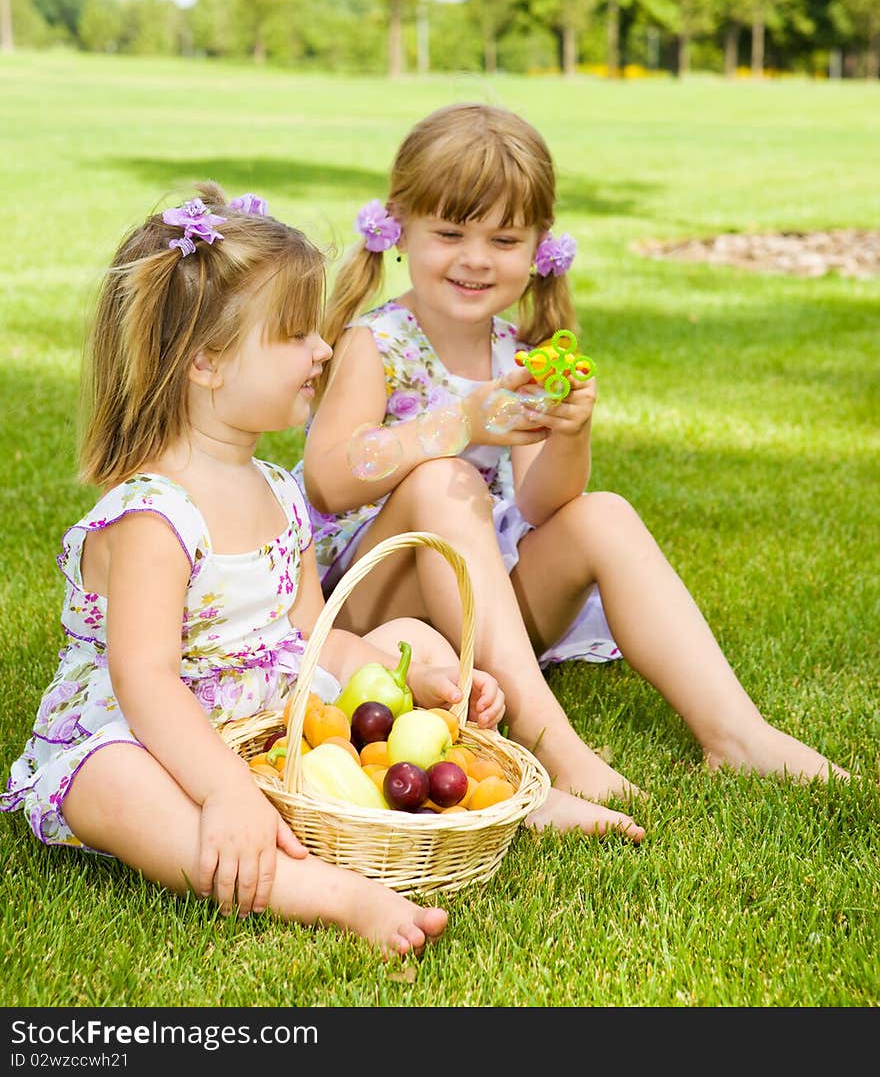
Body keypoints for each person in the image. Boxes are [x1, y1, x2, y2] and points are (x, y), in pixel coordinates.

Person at [296, 102, 849, 843]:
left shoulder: (516, 350)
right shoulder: (378, 343)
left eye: (504, 238)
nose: (475, 258)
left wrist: (569, 431)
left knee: (604, 513)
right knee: (441, 480)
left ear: (537, 249)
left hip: (481, 603)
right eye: (450, 233)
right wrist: (460, 425)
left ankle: (737, 734)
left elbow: (542, 502)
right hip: (381, 606)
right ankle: (553, 747)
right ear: (399, 228)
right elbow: (328, 479)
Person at [1, 185, 507, 959]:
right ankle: (323, 892)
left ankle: (487, 796)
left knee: (413, 638)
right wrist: (225, 790)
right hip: (159, 738)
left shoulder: (276, 488)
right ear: (206, 362)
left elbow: (313, 632)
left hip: (265, 716)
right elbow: (145, 683)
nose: (324, 350)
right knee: (111, 784)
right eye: (296, 335)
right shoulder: (152, 515)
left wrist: (406, 684)